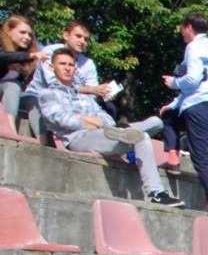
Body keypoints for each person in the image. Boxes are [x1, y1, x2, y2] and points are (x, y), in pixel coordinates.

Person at [39, 48, 184, 207]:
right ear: (53, 67)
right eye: (62, 64)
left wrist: (85, 119)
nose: (67, 68)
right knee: (141, 136)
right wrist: (94, 121)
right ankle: (156, 192)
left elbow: (107, 120)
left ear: (75, 68)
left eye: (70, 64)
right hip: (78, 138)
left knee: (156, 122)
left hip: (103, 133)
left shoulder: (84, 97)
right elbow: (65, 122)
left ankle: (124, 133)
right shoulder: (47, 94)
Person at [160, 12, 208, 214]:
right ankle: (173, 158)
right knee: (169, 115)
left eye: (183, 28)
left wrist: (173, 83)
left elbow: (192, 80)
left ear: (189, 27)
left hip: (201, 106)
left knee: (200, 155)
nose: (182, 33)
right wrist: (173, 104)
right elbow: (195, 87)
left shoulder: (194, 47)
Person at [23, 20, 119, 145]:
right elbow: (55, 84)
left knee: (110, 108)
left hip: (73, 103)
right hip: (41, 97)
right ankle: (45, 144)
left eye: (86, 39)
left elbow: (92, 96)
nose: (82, 41)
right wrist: (92, 90)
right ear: (66, 35)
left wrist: (103, 93)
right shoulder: (50, 52)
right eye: (78, 36)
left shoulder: (88, 63)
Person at [1, 15, 47, 134]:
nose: (27, 37)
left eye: (29, 34)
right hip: (7, 89)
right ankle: (10, 131)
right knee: (13, 86)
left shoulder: (24, 55)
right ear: (9, 31)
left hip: (9, 96)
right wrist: (30, 56)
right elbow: (3, 57)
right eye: (22, 32)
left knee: (32, 98)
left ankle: (43, 143)